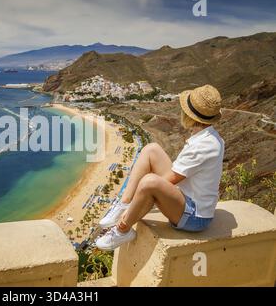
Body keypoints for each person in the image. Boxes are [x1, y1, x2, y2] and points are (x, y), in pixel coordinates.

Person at [96, 84, 224, 251]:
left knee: (149, 182)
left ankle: (123, 230)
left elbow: (168, 181)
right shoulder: (210, 137)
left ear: (190, 116)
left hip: (194, 217)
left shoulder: (204, 145)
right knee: (151, 149)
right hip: (188, 199)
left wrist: (142, 199)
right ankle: (123, 204)